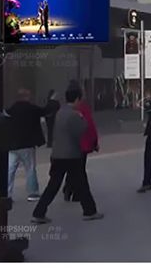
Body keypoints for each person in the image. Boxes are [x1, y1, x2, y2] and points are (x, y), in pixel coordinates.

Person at [31, 88, 103, 223]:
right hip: (71, 155)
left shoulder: (60, 112)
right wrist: (82, 118)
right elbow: (82, 129)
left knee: (53, 185)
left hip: (57, 154)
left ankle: (39, 212)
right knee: (82, 184)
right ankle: (90, 211)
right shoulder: (74, 115)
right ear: (77, 99)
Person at [6, 89, 45, 203]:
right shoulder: (31, 109)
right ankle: (33, 193)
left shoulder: (11, 109)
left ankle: (7, 194)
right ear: (26, 96)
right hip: (27, 144)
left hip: (12, 145)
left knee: (10, 169)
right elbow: (44, 111)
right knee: (30, 169)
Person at [63, 81, 99, 202]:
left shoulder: (66, 108)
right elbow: (90, 125)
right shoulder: (83, 107)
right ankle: (78, 193)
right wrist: (95, 142)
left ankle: (68, 188)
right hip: (82, 143)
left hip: (69, 143)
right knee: (80, 168)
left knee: (72, 167)